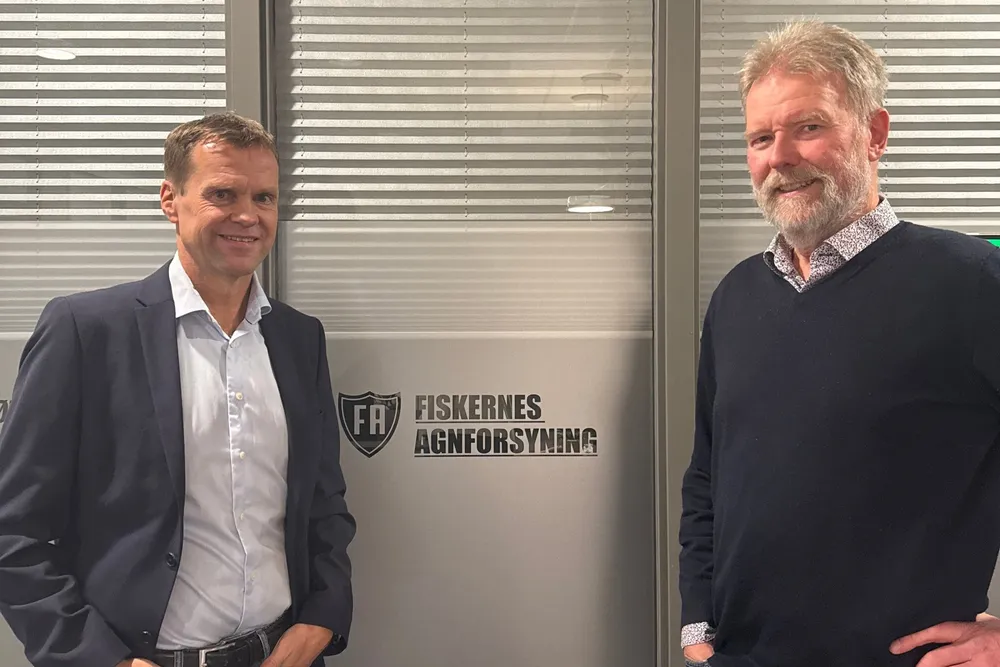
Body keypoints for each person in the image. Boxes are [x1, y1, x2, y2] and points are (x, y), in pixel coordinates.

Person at [679, 19, 1000, 667]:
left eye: (808, 127)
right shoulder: (736, 297)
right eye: (760, 138)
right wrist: (697, 625)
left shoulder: (973, 283)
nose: (780, 157)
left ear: (874, 133)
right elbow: (709, 476)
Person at [0, 112, 356, 667]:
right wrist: (96, 658)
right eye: (222, 194)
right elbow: (13, 529)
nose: (248, 216)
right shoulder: (86, 331)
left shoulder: (298, 338)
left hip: (282, 652)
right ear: (170, 199)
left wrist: (321, 619)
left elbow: (323, 503)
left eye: (264, 197)